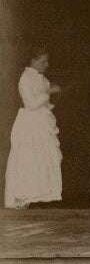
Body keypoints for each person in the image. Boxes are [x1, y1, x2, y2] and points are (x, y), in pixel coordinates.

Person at [4, 46, 62, 208]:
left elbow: (45, 104)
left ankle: (39, 195)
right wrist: (49, 91)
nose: (47, 65)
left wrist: (52, 101)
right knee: (29, 158)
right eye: (43, 61)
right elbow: (31, 104)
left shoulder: (43, 79)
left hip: (43, 123)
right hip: (30, 125)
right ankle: (23, 197)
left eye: (47, 61)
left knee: (43, 158)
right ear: (33, 61)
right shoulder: (25, 78)